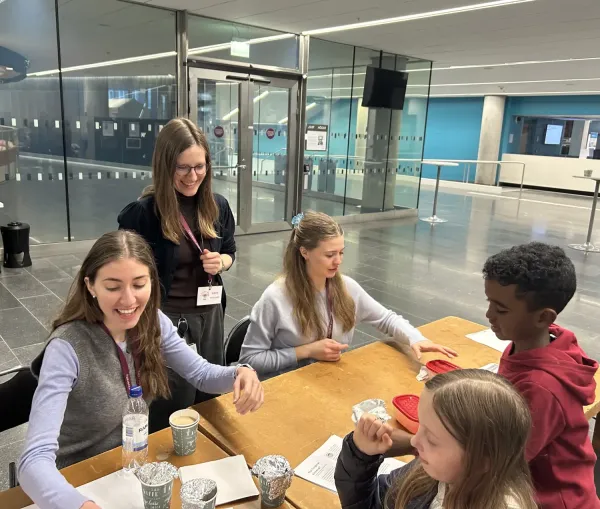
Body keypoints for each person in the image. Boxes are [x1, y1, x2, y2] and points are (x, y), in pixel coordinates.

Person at [18, 231, 262, 509]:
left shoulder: (153, 321)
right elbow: (33, 460)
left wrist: (240, 373)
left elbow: (201, 374)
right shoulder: (67, 347)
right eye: (113, 287)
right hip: (75, 479)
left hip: (127, 468)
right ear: (91, 286)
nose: (128, 300)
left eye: (139, 284)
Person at [118, 117, 236, 431]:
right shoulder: (144, 213)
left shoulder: (217, 206)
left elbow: (231, 252)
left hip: (209, 314)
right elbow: (121, 267)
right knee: (171, 400)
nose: (192, 175)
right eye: (182, 167)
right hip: (166, 317)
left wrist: (221, 262)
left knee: (210, 394)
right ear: (165, 164)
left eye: (199, 166)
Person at [238, 211, 456, 379]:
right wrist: (306, 351)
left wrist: (415, 338)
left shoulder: (346, 288)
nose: (338, 261)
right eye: (330, 254)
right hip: (285, 387)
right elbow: (250, 360)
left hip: (330, 380)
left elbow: (386, 318)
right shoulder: (275, 297)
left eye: (341, 253)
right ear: (304, 252)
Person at [483, 242, 600, 509]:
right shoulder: (535, 339)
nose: (489, 315)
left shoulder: (542, 388)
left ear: (543, 317)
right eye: (490, 302)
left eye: (501, 310)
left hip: (553, 498)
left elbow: (502, 461)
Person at [335, 369, 537, 509]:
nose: (414, 441)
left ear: (483, 459)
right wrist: (360, 456)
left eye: (431, 438)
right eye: (419, 426)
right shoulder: (427, 474)